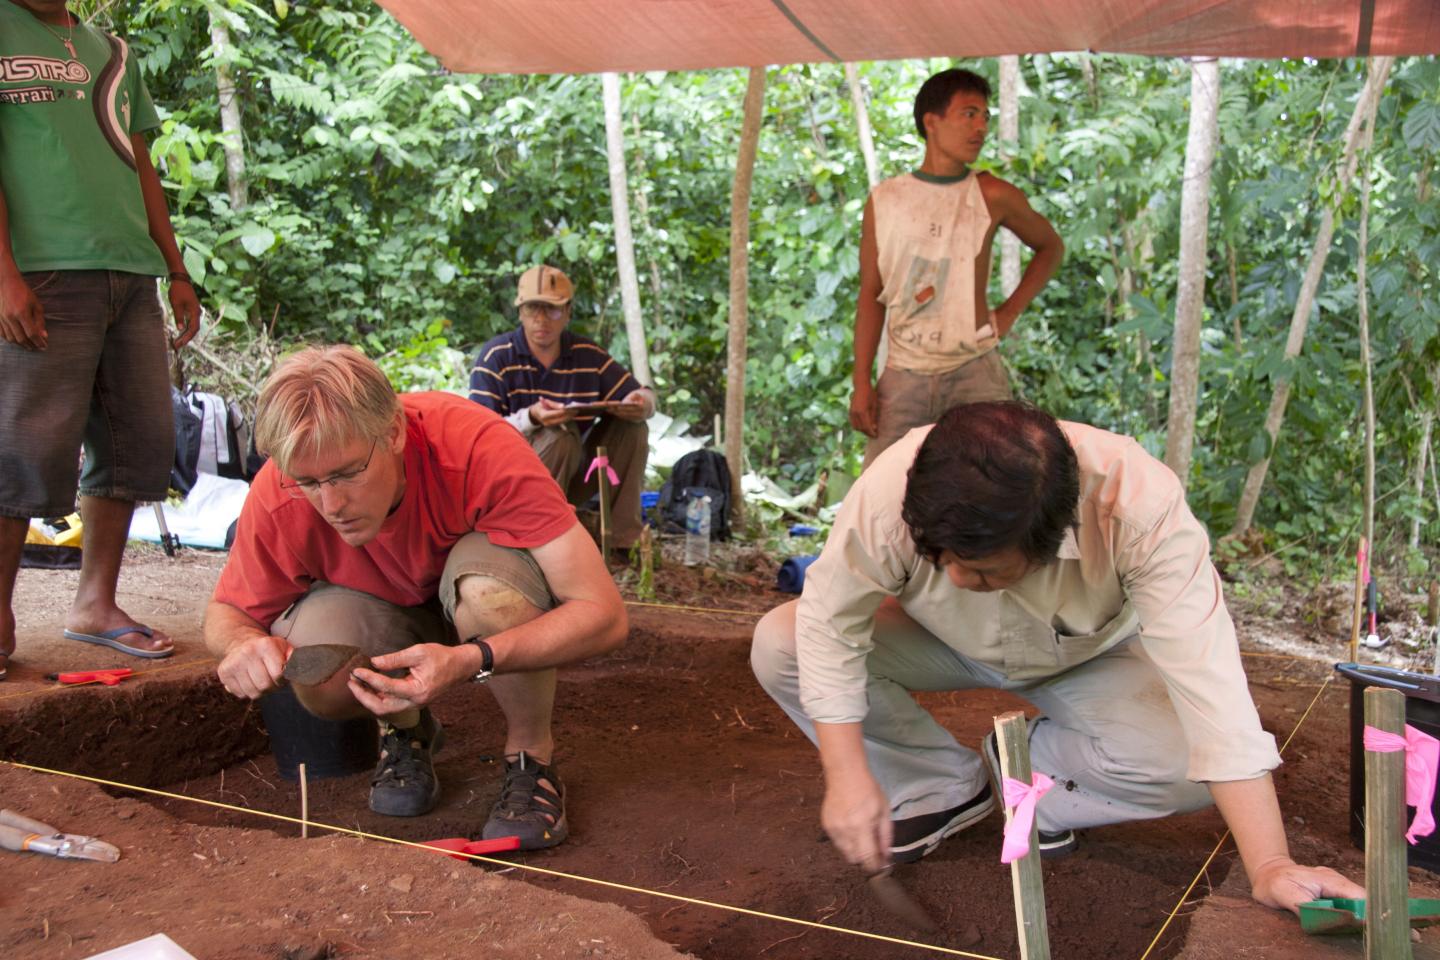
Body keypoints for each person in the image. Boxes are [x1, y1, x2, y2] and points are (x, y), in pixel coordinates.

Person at [751, 402, 1364, 915]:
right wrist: (849, 773)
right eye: (943, 559)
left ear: (1052, 537)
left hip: (1090, 653)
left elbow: (1214, 688)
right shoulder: (893, 490)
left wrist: (1271, 863)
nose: (959, 578)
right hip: (938, 642)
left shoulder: (1139, 509)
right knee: (785, 643)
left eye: (984, 568)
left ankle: (1036, 780)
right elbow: (831, 626)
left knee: (1184, 766)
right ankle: (935, 787)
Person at [205, 346, 626, 848]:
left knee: (492, 596)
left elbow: (604, 614)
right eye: (310, 483)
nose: (331, 504)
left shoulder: (476, 447)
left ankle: (531, 756)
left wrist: (471, 660)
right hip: (387, 615)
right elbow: (227, 611)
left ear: (394, 434)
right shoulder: (279, 489)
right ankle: (406, 728)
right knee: (312, 644)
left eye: (346, 474)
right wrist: (240, 645)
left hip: (476, 605)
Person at [0, 0, 202, 681]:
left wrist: (175, 269)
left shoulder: (112, 51)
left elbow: (142, 165)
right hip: (41, 269)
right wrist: (4, 277)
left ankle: (95, 605)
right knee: (25, 447)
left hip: (129, 271)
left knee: (137, 440)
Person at [850, 68, 1063, 467]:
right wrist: (861, 381)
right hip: (905, 371)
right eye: (968, 114)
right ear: (932, 122)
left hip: (974, 368)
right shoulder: (887, 200)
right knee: (882, 487)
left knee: (995, 483)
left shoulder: (992, 194)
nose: (981, 127)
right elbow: (870, 294)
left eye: (985, 116)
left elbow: (1051, 247)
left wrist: (1009, 312)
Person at [470, 264, 656, 554]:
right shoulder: (496, 356)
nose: (541, 319)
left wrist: (641, 405)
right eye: (533, 309)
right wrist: (531, 418)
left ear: (568, 312)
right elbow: (475, 435)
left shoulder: (587, 354)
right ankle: (537, 539)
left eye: (552, 309)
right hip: (511, 485)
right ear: (520, 312)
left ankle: (622, 541)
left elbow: (640, 393)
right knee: (559, 434)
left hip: (575, 475)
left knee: (633, 428)